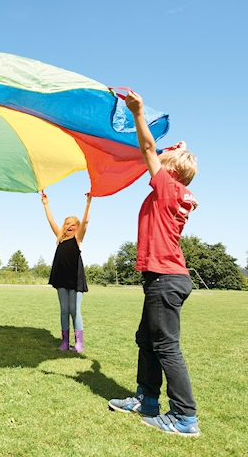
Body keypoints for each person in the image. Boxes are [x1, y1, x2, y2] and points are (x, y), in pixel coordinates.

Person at [108, 91, 200, 437]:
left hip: (164, 277)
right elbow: (160, 154)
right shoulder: (179, 192)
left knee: (165, 346)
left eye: (170, 158)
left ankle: (185, 417)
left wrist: (139, 113)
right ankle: (146, 399)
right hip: (165, 277)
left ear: (171, 170)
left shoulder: (166, 187)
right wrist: (180, 149)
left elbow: (148, 149)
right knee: (145, 339)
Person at [42, 192, 92, 353]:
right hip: (61, 277)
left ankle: (79, 343)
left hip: (75, 279)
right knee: (64, 310)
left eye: (73, 224)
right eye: (68, 224)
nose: (70, 226)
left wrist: (89, 202)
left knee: (74, 310)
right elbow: (51, 220)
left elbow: (86, 221)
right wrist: (46, 204)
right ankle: (65, 341)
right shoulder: (59, 237)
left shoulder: (78, 239)